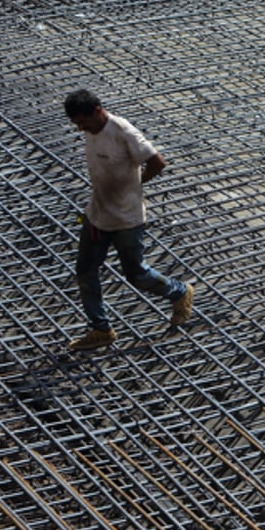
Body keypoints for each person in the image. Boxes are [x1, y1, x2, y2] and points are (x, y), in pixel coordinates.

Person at [63, 90, 193, 350]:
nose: (80, 129)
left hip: (127, 219)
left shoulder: (124, 132)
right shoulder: (92, 129)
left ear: (98, 111)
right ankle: (101, 329)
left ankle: (179, 292)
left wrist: (137, 183)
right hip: (97, 215)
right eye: (76, 124)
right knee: (85, 271)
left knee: (136, 274)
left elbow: (157, 162)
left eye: (83, 122)